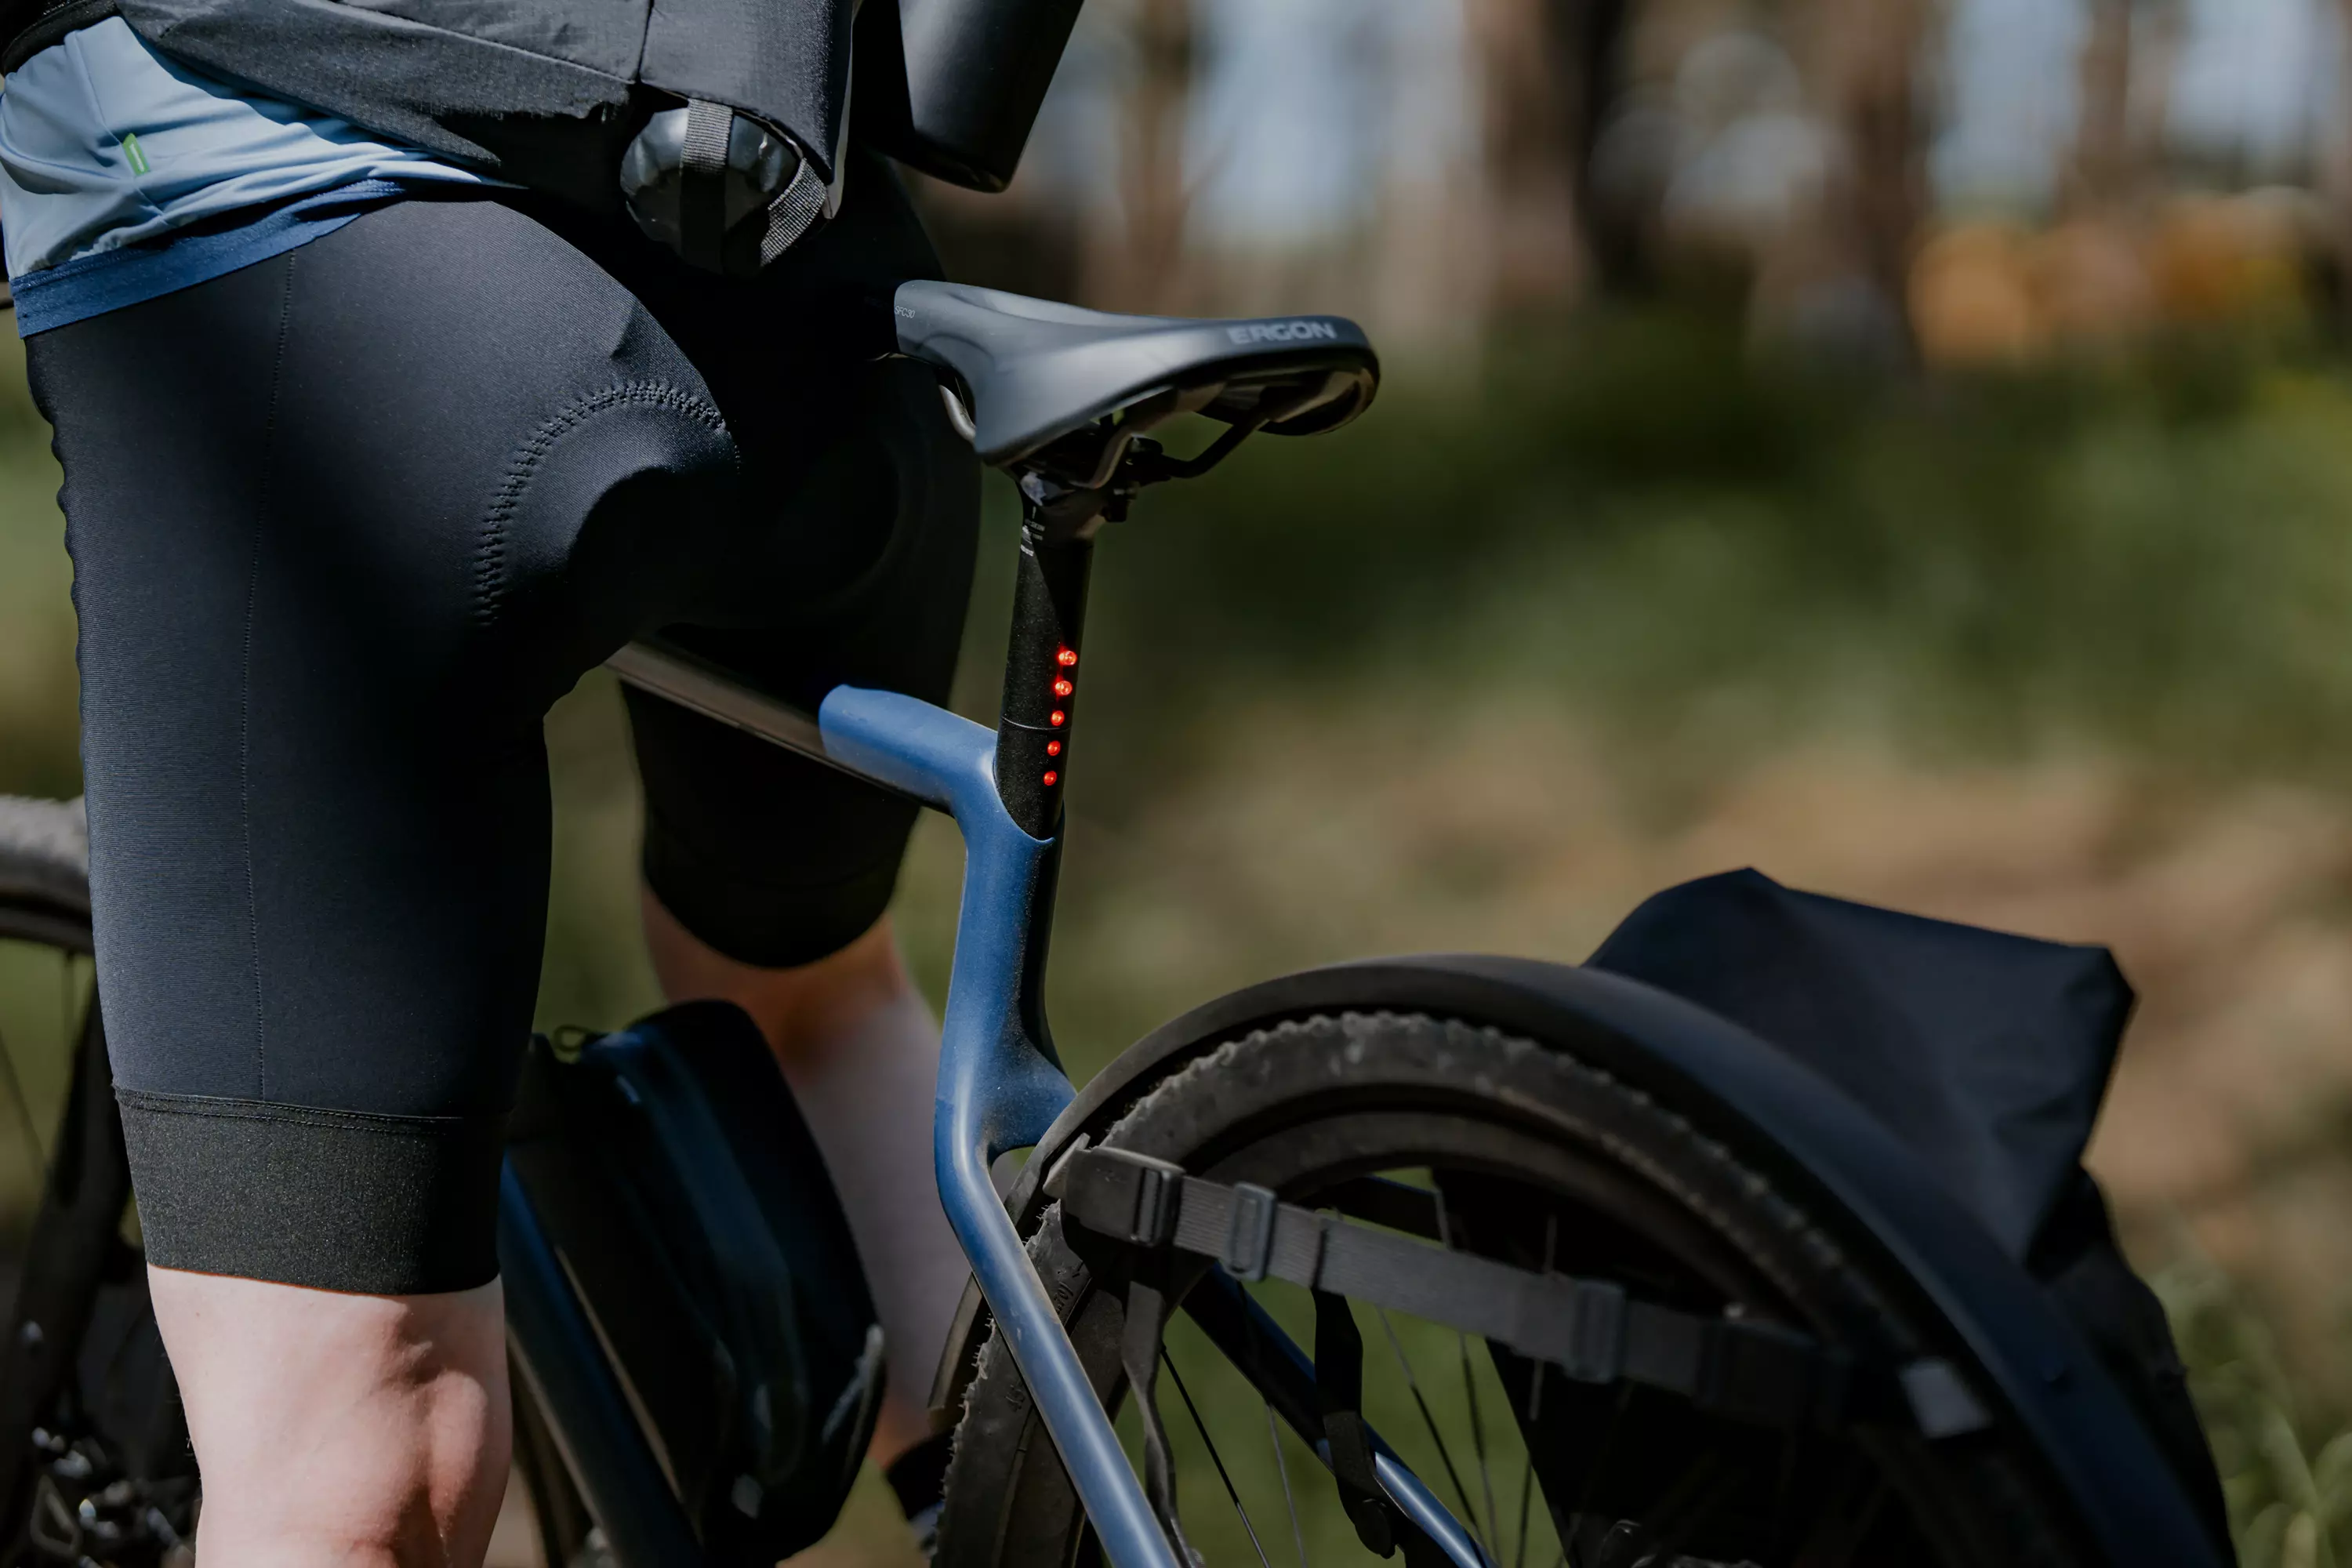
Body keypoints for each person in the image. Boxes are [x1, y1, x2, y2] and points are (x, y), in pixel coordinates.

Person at [1, 16, 978, 1564]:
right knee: (815, 1003)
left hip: (326, 304)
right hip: (810, 281)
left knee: (346, 1456)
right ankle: (1038, 1513)